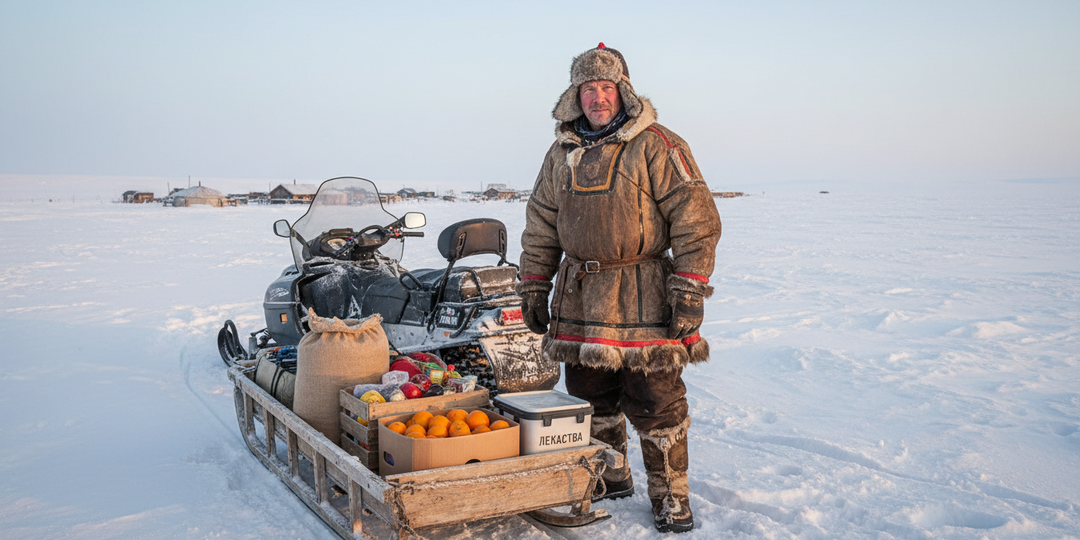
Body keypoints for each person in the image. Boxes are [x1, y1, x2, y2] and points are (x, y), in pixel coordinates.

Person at [517, 43, 722, 533]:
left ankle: (670, 495)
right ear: (575, 96)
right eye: (588, 88)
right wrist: (534, 283)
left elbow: (696, 219)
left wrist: (689, 289)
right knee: (589, 391)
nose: (598, 97)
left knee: (656, 397)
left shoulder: (657, 144)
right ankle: (610, 474)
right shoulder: (561, 153)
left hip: (643, 289)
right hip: (581, 292)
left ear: (623, 91)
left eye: (606, 87)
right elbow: (541, 222)